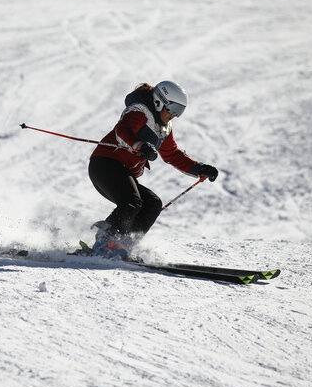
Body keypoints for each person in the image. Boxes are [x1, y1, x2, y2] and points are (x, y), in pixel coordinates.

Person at [88, 81, 218, 258]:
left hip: (122, 171)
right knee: (132, 202)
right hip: (105, 165)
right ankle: (104, 242)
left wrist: (199, 169)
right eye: (172, 109)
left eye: (180, 111)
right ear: (159, 102)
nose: (175, 116)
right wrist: (139, 145)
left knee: (152, 203)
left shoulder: (164, 128)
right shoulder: (141, 112)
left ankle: (124, 245)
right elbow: (123, 130)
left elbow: (172, 154)